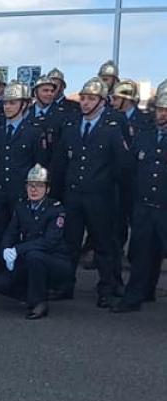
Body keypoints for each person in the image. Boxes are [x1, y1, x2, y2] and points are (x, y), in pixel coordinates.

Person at [49, 77, 131, 307]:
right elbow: (61, 162)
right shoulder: (72, 124)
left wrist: (114, 192)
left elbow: (122, 165)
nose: (85, 103)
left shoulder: (113, 127)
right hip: (74, 194)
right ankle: (65, 285)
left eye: (91, 99)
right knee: (70, 243)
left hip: (101, 196)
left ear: (102, 101)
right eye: (83, 98)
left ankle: (106, 287)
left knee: (104, 245)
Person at [0, 164, 71, 319]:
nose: (34, 190)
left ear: (47, 189)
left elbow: (49, 242)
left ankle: (39, 302)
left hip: (54, 260)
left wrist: (18, 250)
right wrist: (6, 250)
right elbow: (10, 233)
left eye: (39, 186)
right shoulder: (21, 206)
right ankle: (30, 295)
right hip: (28, 258)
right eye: (30, 185)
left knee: (35, 255)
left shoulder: (56, 209)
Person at [113, 92, 167, 312]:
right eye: (160, 110)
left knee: (158, 252)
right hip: (144, 205)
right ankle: (135, 296)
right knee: (142, 253)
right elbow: (131, 167)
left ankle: (148, 289)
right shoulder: (145, 135)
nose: (161, 114)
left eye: (165, 111)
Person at [0, 81, 48, 258]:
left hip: (21, 192)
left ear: (25, 104)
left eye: (13, 102)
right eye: (6, 102)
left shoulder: (34, 131)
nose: (8, 107)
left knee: (20, 234)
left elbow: (39, 165)